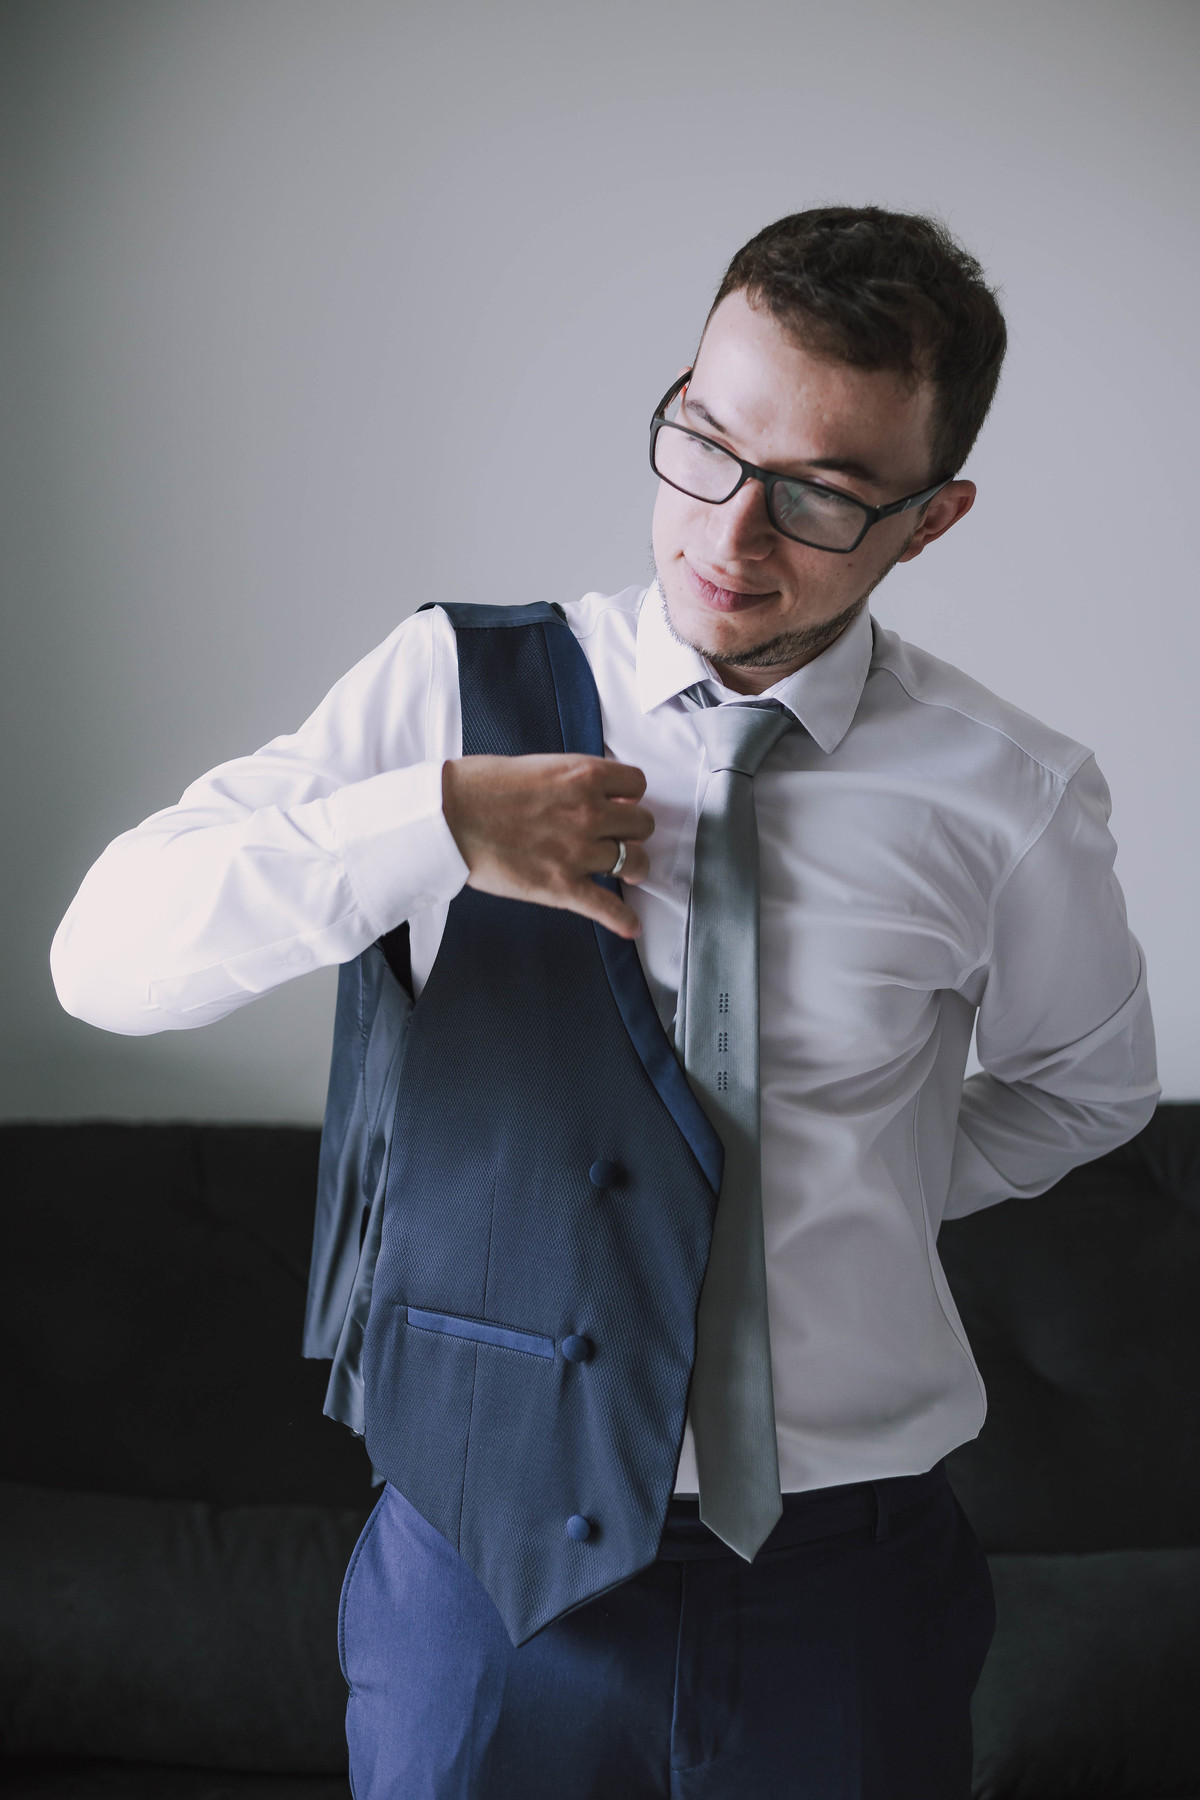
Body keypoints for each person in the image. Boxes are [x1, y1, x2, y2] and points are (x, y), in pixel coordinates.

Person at [51, 205, 1158, 1800]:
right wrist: (434, 822)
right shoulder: (451, 688)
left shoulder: (1013, 795)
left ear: (932, 520)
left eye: (821, 494)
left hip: (846, 1585)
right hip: (479, 1568)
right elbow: (104, 962)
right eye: (704, 442)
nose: (730, 533)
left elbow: (1085, 1089)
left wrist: (830, 1184)